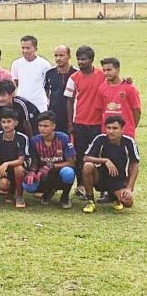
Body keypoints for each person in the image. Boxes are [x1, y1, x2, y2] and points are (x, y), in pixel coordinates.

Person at [64, 45, 104, 197]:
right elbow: (69, 101)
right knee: (80, 156)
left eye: (84, 59)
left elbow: (114, 83)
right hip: (79, 123)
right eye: (79, 59)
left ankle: (102, 187)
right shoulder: (74, 78)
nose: (81, 62)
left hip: (97, 123)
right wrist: (70, 123)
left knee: (98, 155)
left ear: (91, 60)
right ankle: (81, 185)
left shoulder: (102, 75)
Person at [81, 116, 139, 213]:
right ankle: (90, 201)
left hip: (118, 179)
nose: (111, 131)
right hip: (100, 178)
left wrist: (129, 188)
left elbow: (135, 166)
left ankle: (114, 197)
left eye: (115, 128)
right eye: (108, 128)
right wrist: (105, 160)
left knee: (128, 202)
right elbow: (86, 158)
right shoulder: (100, 139)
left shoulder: (129, 142)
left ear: (122, 129)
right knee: (88, 166)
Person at [25, 111, 76, 209]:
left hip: (60, 173)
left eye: (46, 126)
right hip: (43, 174)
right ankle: (48, 192)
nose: (42, 129)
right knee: (29, 186)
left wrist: (52, 166)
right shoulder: (34, 141)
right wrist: (32, 172)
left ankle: (65, 197)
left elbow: (71, 163)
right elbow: (35, 161)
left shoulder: (63, 138)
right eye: (40, 125)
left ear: (53, 126)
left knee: (68, 172)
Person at [0, 108, 29, 208]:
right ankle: (10, 191)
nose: (6, 125)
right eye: (3, 122)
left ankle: (20, 196)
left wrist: (6, 164)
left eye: (9, 121)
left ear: (15, 123)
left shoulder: (22, 138)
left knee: (19, 169)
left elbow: (21, 160)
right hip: (3, 170)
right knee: (4, 184)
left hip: (18, 169)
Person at [95, 57, 140, 139]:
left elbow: (137, 111)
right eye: (104, 70)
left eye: (109, 70)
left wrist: (131, 127)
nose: (106, 73)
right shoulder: (102, 88)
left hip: (126, 133)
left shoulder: (129, 88)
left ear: (118, 69)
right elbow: (100, 110)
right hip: (107, 133)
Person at [11, 35, 51, 112]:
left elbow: (48, 86)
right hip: (22, 104)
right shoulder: (16, 64)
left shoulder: (44, 65)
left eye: (28, 48)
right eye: (23, 48)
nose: (25, 51)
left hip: (39, 105)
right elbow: (16, 82)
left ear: (35, 48)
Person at [44, 45, 76, 133]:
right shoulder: (49, 73)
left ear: (69, 56)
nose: (58, 58)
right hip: (54, 115)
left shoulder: (76, 74)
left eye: (61, 55)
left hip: (71, 116)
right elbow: (46, 91)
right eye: (56, 55)